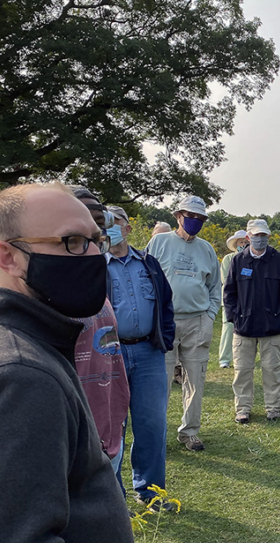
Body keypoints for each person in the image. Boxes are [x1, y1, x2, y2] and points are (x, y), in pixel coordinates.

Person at [0, 183, 135, 543]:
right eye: (72, 242)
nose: (93, 255)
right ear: (8, 257)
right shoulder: (18, 375)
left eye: (96, 239)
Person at [106, 206, 177, 511]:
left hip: (148, 353)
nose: (111, 229)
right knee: (111, 427)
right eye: (104, 224)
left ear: (128, 228)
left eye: (116, 223)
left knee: (151, 424)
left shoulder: (148, 263)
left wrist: (165, 338)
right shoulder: (95, 266)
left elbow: (166, 301)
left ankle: (151, 492)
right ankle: (112, 497)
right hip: (110, 354)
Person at [146, 195, 220, 451]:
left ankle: (190, 432)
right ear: (178, 216)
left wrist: (210, 315)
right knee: (161, 381)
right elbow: (147, 277)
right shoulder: (159, 242)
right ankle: (157, 434)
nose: (195, 222)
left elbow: (214, 288)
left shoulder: (207, 248)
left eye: (200, 218)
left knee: (195, 381)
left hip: (197, 320)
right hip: (165, 321)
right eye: (190, 217)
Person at [69, 186, 130, 479]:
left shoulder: (97, 297)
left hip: (107, 432)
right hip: (73, 446)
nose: (93, 249)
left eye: (97, 239)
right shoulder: (39, 305)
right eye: (77, 239)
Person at [223, 219, 280, 423]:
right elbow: (229, 292)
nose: (260, 239)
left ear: (268, 237)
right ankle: (242, 409)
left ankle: (273, 407)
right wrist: (234, 317)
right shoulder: (238, 261)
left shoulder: (278, 260)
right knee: (242, 370)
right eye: (256, 235)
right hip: (243, 327)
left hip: (271, 326)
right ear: (248, 237)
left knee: (271, 369)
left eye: (263, 235)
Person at [218, 230, 249, 368]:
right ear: (236, 244)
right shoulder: (228, 259)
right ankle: (224, 359)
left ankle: (242, 358)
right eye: (241, 242)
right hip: (230, 298)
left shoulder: (250, 259)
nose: (243, 244)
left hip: (247, 299)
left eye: (245, 242)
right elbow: (225, 279)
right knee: (228, 326)